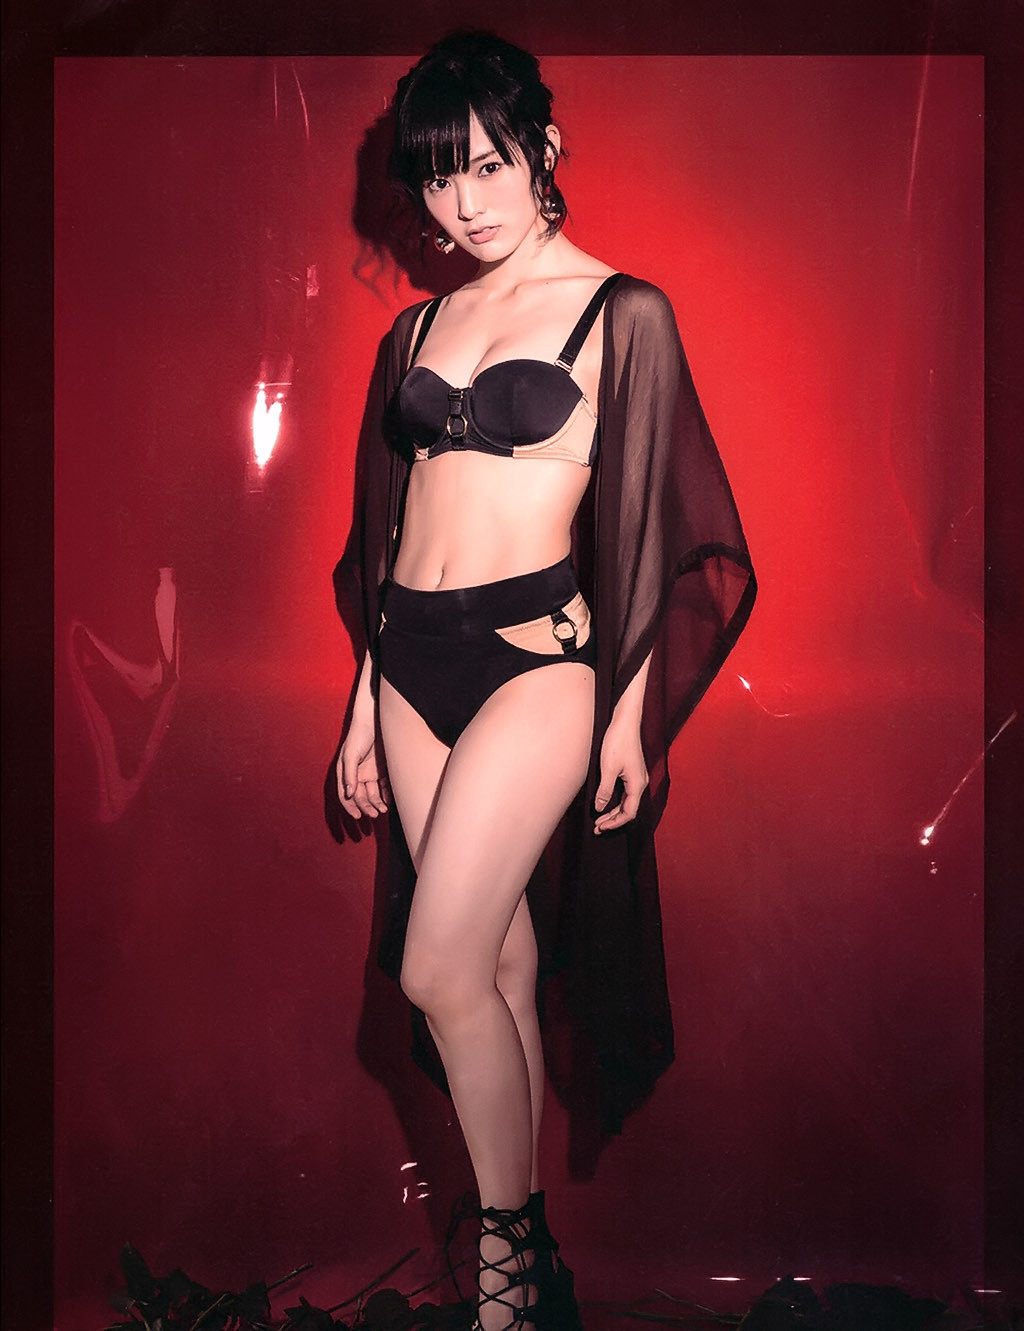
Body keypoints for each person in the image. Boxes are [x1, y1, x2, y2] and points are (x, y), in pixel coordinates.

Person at [336, 32, 756, 1331]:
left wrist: (631, 714)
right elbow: (386, 530)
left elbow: (652, 523)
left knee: (437, 967)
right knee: (499, 968)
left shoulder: (623, 312)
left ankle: (505, 1271)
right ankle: (540, 1281)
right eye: (438, 177)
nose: (464, 203)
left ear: (545, 149)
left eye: (487, 165)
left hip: (538, 662)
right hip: (409, 660)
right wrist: (362, 702)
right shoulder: (416, 328)